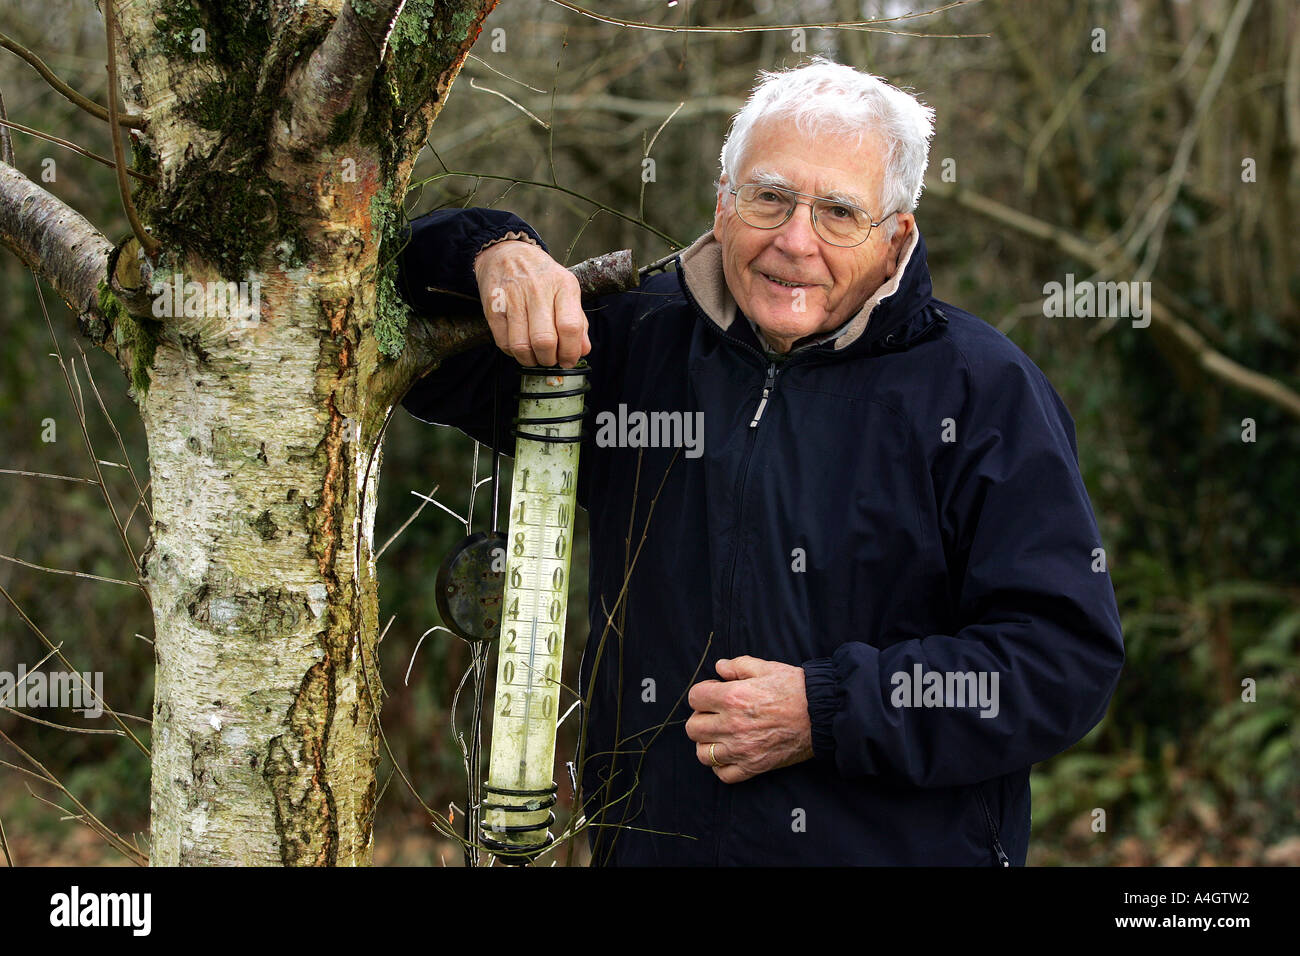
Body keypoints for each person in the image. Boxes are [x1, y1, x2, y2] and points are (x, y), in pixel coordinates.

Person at [397, 59, 1125, 865]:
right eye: (770, 197)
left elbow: (1061, 661)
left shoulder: (982, 393)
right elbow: (403, 341)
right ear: (723, 199)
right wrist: (490, 252)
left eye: (840, 212)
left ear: (897, 239)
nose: (795, 241)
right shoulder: (635, 343)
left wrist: (831, 711)